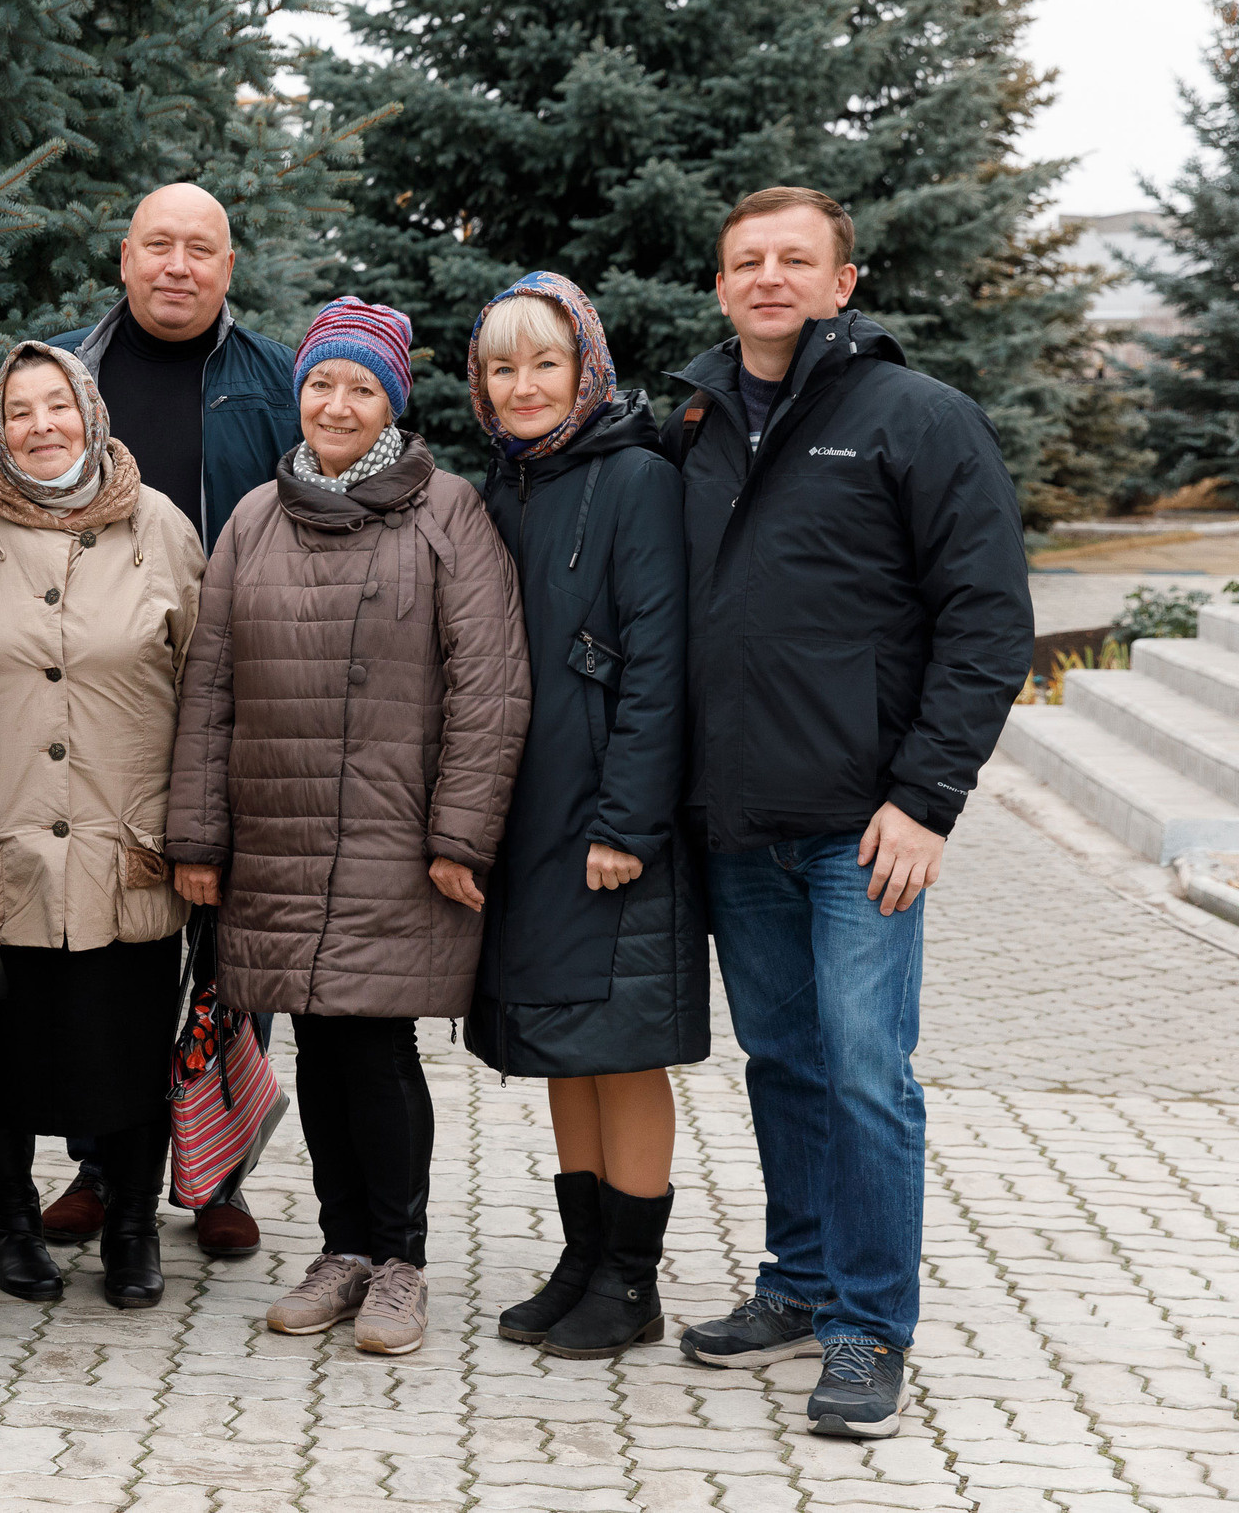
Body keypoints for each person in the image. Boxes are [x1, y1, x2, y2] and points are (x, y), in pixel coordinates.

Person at [665, 188, 1031, 1438]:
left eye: (794, 260)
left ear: (842, 281)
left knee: (868, 1072)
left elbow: (987, 624)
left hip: (864, 829)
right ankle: (800, 1284)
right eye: (745, 262)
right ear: (721, 287)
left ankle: (869, 1329)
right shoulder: (698, 425)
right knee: (782, 1064)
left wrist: (926, 800)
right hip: (738, 823)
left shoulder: (916, 418)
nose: (768, 278)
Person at [166, 296, 529, 1356]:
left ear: (393, 404)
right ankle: (341, 1250)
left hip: (392, 836)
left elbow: (489, 686)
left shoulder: (448, 512)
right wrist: (198, 839)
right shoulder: (253, 517)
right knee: (322, 1050)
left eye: (359, 387)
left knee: (373, 1047)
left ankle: (399, 1261)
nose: (336, 402)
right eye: (321, 383)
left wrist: (460, 836)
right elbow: (209, 687)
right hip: (275, 835)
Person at [41, 181, 302, 1258]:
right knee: (109, 943)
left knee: (230, 946)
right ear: (123, 256)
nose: (178, 266)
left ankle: (217, 1173)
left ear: (228, 269)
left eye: (201, 249)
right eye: (159, 245)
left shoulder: (274, 378)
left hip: (237, 691)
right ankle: (106, 1167)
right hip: (97, 700)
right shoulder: (62, 372)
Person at [0, 341, 205, 1310]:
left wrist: (201, 832)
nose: (41, 426)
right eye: (18, 411)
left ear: (91, 413)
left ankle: (132, 1229)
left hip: (121, 838)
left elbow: (207, 689)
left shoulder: (160, 527)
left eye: (58, 406)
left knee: (128, 1045)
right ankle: (10, 1224)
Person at [462, 272, 705, 1360]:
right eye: (501, 368)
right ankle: (580, 1258)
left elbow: (659, 664)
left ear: (585, 370)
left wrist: (628, 822)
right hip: (528, 816)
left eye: (542, 364)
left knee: (623, 1046)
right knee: (564, 1040)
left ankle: (632, 1278)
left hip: (609, 822)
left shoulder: (636, 479)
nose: (522, 387)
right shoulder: (505, 485)